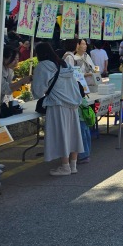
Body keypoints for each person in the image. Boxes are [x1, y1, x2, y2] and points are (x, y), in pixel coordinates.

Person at [32, 43, 83, 176]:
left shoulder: (43, 66)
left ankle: (65, 166)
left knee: (62, 134)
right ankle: (73, 165)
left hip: (57, 104)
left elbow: (37, 92)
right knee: (73, 133)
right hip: (72, 104)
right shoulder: (64, 64)